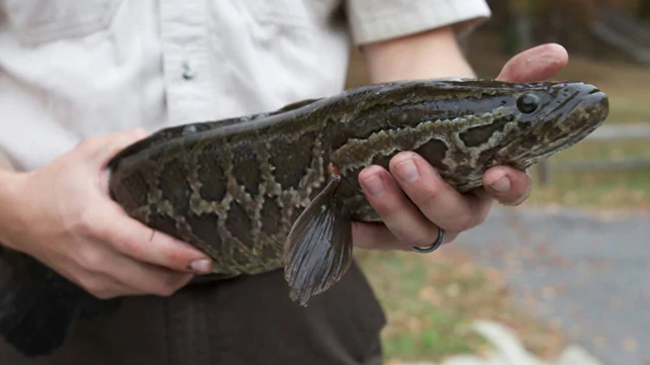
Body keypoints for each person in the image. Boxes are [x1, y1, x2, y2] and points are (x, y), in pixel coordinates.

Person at [0, 1, 569, 364]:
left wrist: (470, 120)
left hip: (302, 296)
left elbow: (412, 43)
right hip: (35, 263)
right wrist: (17, 209)